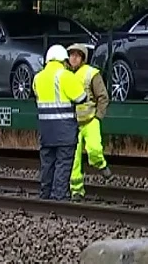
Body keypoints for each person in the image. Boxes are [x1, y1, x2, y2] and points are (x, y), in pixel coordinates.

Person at [33, 44, 88, 201]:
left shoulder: (37, 78)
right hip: (64, 131)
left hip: (46, 131)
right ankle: (59, 198)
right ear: (63, 60)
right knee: (63, 164)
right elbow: (81, 98)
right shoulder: (65, 76)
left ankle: (45, 195)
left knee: (47, 164)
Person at [66, 43, 112, 201]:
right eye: (71, 54)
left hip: (90, 120)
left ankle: (101, 165)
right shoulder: (64, 74)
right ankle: (76, 191)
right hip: (73, 124)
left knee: (94, 149)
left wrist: (98, 116)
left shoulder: (91, 73)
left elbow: (103, 96)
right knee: (74, 160)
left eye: (77, 55)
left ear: (83, 58)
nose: (74, 58)